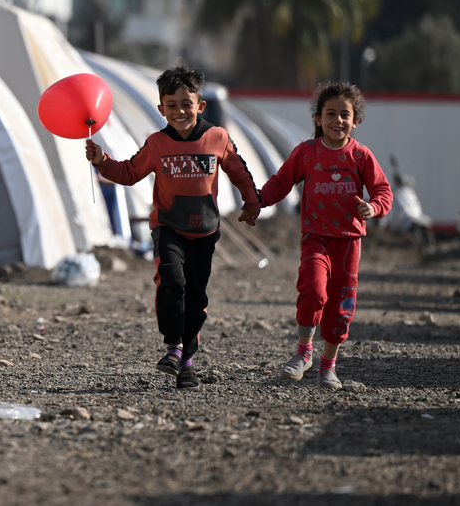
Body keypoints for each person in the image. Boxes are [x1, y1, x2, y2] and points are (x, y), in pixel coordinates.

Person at [85, 65, 261, 389]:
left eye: (186, 104)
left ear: (200, 106)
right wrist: (101, 161)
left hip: (205, 231)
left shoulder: (217, 138)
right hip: (168, 227)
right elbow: (129, 173)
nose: (179, 111)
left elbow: (239, 171)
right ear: (161, 109)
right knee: (171, 281)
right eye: (172, 105)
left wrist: (251, 203)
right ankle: (173, 347)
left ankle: (187, 362)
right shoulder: (157, 143)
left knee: (195, 299)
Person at [254, 81, 392, 389]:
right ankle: (303, 353)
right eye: (330, 113)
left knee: (341, 307)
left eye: (345, 114)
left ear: (355, 121)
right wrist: (258, 200)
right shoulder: (306, 152)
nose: (337, 120)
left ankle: (328, 366)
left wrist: (373, 207)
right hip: (315, 238)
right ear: (318, 119)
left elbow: (383, 190)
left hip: (349, 243)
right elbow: (281, 182)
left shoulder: (361, 156)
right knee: (313, 291)